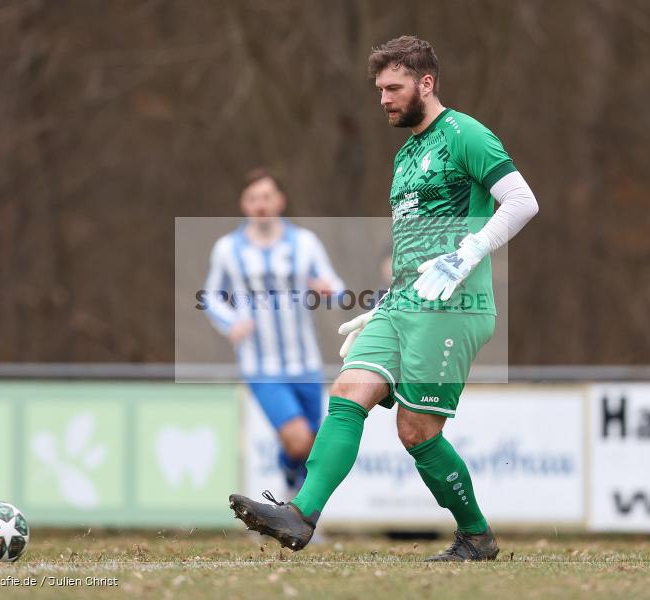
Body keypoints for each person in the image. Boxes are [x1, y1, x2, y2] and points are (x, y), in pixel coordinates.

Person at [229, 36, 539, 561]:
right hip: (405, 302)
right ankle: (300, 515)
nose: (384, 99)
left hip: (452, 305)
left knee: (416, 431)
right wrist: (387, 301)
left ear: (426, 82)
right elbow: (413, 243)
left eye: (393, 88)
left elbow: (522, 200)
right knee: (349, 390)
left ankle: (476, 536)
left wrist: (468, 253)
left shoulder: (466, 134)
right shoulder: (406, 155)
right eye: (379, 90)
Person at [204, 168, 345, 495]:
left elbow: (336, 285)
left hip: (305, 362)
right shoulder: (228, 249)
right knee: (297, 441)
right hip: (261, 365)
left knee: (311, 446)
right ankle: (291, 483)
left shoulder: (305, 242)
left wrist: (329, 291)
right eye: (253, 198)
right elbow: (211, 296)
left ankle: (296, 506)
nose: (261, 204)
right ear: (244, 204)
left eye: (267, 197)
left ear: (280, 200)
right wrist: (231, 322)